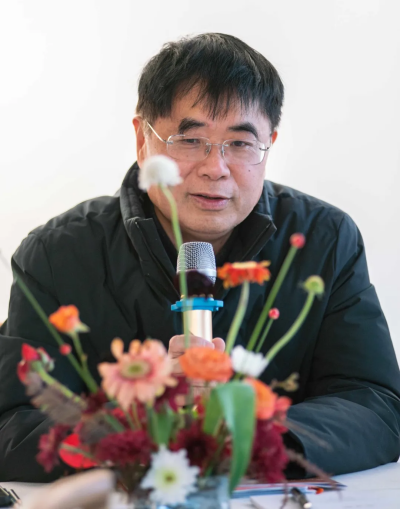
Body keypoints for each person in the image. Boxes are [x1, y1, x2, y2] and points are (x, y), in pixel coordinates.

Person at [1, 32, 399, 482]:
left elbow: (376, 405)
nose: (215, 168)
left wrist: (254, 436)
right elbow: (13, 423)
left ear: (269, 143)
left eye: (240, 143)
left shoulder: (324, 240)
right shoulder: (57, 254)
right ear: (142, 139)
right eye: (190, 140)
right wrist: (141, 426)